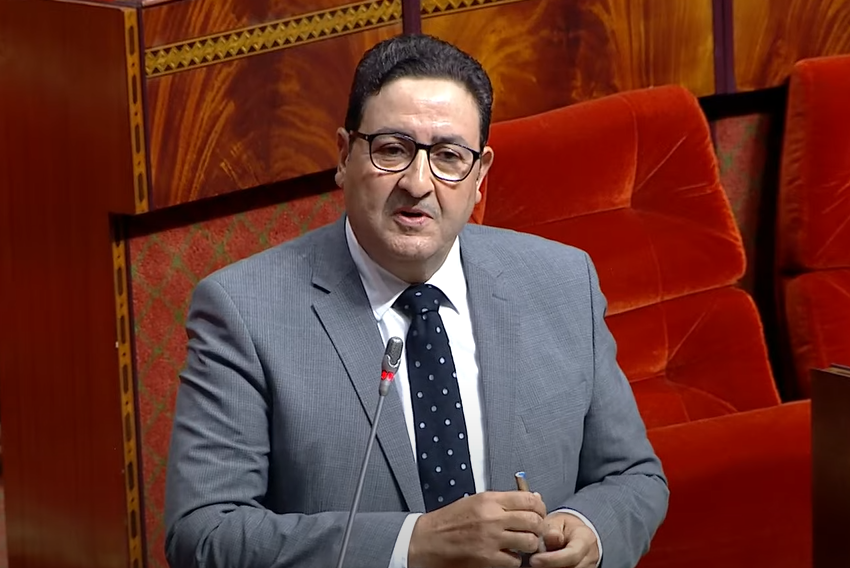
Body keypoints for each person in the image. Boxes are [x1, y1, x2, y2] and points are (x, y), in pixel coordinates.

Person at [164, 34, 668, 568]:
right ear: (344, 156)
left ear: (480, 176)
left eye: (449, 156)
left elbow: (634, 476)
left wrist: (591, 528)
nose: (418, 183)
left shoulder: (562, 281)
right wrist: (413, 544)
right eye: (392, 149)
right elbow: (204, 533)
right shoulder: (244, 311)